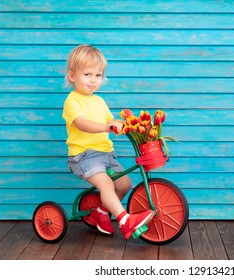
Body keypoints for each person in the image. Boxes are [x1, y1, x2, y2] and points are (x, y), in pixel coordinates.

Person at [62, 44, 154, 239]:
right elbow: (82, 124)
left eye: (98, 75)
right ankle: (125, 221)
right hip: (83, 156)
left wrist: (123, 124)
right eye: (87, 74)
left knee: (124, 184)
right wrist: (106, 127)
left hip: (105, 154)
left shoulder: (99, 101)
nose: (93, 80)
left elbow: (109, 121)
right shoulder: (73, 101)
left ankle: (101, 214)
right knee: (106, 184)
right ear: (72, 76)